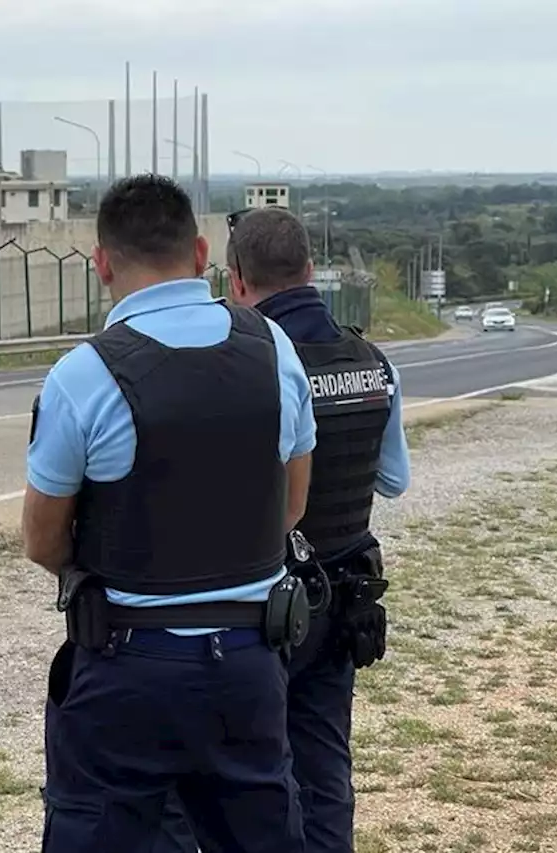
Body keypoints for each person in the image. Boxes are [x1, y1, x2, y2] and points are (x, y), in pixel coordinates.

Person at [23, 174, 317, 853]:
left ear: (102, 263)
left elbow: (42, 539)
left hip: (127, 664)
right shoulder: (275, 350)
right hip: (248, 664)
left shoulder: (83, 374)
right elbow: (291, 506)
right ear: (202, 252)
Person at [155, 206, 411, 853]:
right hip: (344, 593)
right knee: (325, 776)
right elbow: (393, 480)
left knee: (224, 782)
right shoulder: (373, 362)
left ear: (235, 280)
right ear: (312, 271)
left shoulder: (240, 365)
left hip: (255, 608)